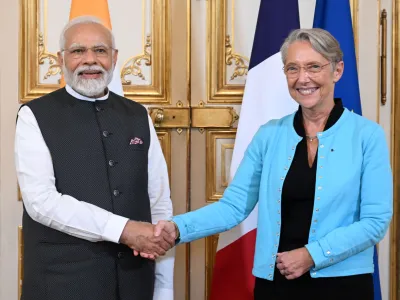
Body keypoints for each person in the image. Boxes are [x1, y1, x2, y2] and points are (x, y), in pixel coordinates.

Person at [145, 28, 393, 299]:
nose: (303, 78)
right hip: (277, 283)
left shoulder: (367, 135)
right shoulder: (269, 134)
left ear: (337, 70)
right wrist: (177, 227)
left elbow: (375, 221)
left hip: (344, 285)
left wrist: (312, 255)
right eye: (292, 68)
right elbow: (233, 207)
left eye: (313, 67)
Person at [15, 16, 175, 300]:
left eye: (100, 50)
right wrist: (122, 229)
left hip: (135, 284)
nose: (90, 60)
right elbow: (40, 201)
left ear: (114, 58)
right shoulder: (33, 116)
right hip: (62, 285)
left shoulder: (138, 115)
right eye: (78, 51)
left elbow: (158, 202)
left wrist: (163, 288)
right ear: (60, 58)